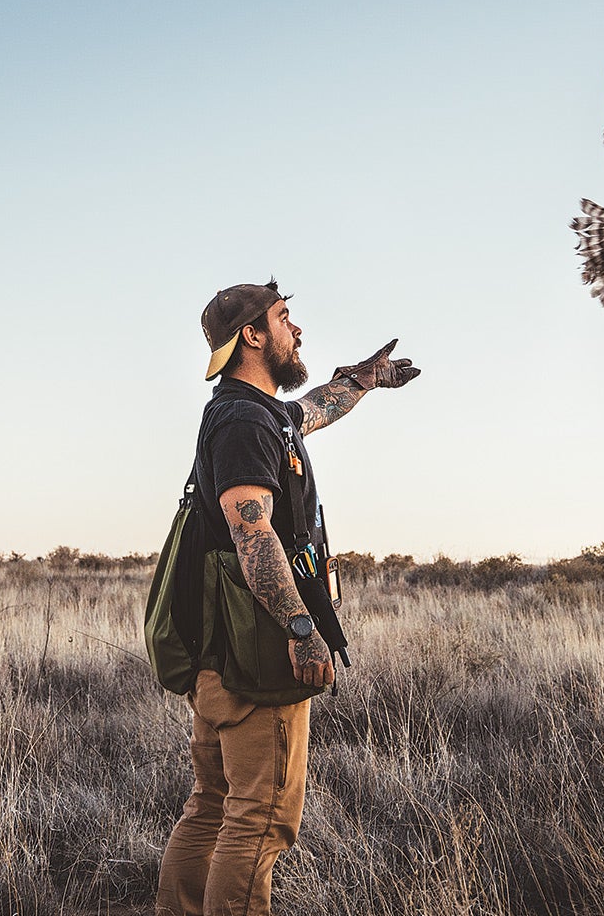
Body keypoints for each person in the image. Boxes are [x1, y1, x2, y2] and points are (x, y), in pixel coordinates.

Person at [156, 280, 420, 916]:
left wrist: (363, 380)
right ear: (252, 336)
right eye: (283, 319)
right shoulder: (245, 421)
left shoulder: (252, 412)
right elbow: (253, 533)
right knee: (261, 819)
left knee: (212, 806)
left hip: (220, 656)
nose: (296, 330)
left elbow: (314, 409)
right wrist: (302, 630)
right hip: (258, 656)